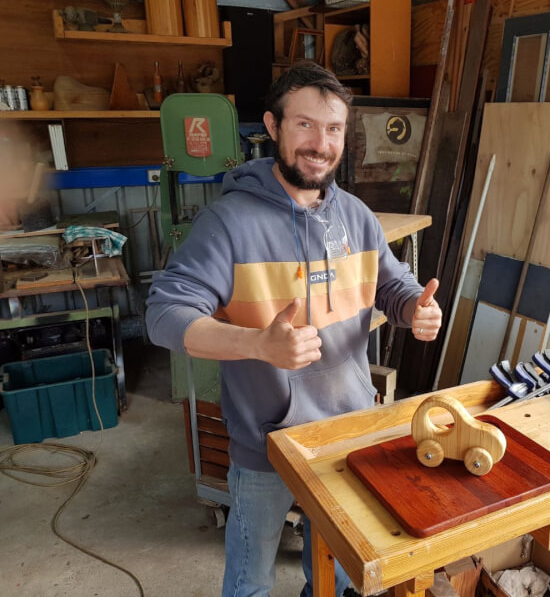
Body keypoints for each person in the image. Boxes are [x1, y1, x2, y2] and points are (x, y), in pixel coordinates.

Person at [145, 61, 442, 597]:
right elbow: (165, 314)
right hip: (267, 444)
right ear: (273, 126)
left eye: (333, 129)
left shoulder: (357, 217)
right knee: (251, 580)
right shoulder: (228, 223)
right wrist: (256, 344)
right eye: (304, 125)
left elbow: (392, 286)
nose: (320, 144)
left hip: (349, 434)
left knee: (340, 576)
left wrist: (414, 309)